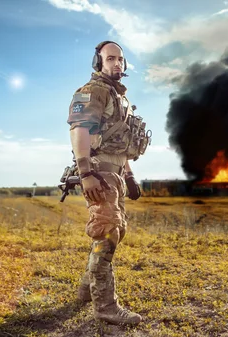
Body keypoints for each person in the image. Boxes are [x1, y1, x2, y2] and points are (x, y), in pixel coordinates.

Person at [66, 40, 146, 325]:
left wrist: (130, 175)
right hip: (98, 173)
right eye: (110, 59)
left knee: (114, 231)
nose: (117, 64)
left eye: (120, 60)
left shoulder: (119, 97)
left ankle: (87, 289)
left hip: (115, 173)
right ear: (98, 62)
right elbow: (80, 130)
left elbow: (118, 143)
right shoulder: (93, 91)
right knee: (107, 233)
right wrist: (86, 173)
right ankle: (106, 307)